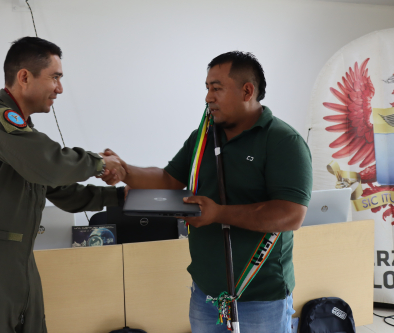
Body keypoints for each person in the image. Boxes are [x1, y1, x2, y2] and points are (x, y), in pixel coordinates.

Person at [103, 51, 313, 333]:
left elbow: (291, 215)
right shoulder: (203, 136)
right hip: (206, 293)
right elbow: (168, 179)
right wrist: (126, 171)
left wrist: (219, 214)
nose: (208, 97)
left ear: (247, 91)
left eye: (217, 88)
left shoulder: (283, 141)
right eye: (207, 88)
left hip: (261, 296)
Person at [0, 36, 125, 333]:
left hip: (20, 256)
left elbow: (63, 192)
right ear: (24, 77)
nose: (60, 88)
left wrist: (121, 199)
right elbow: (50, 164)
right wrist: (99, 163)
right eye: (55, 77)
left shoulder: (24, 137)